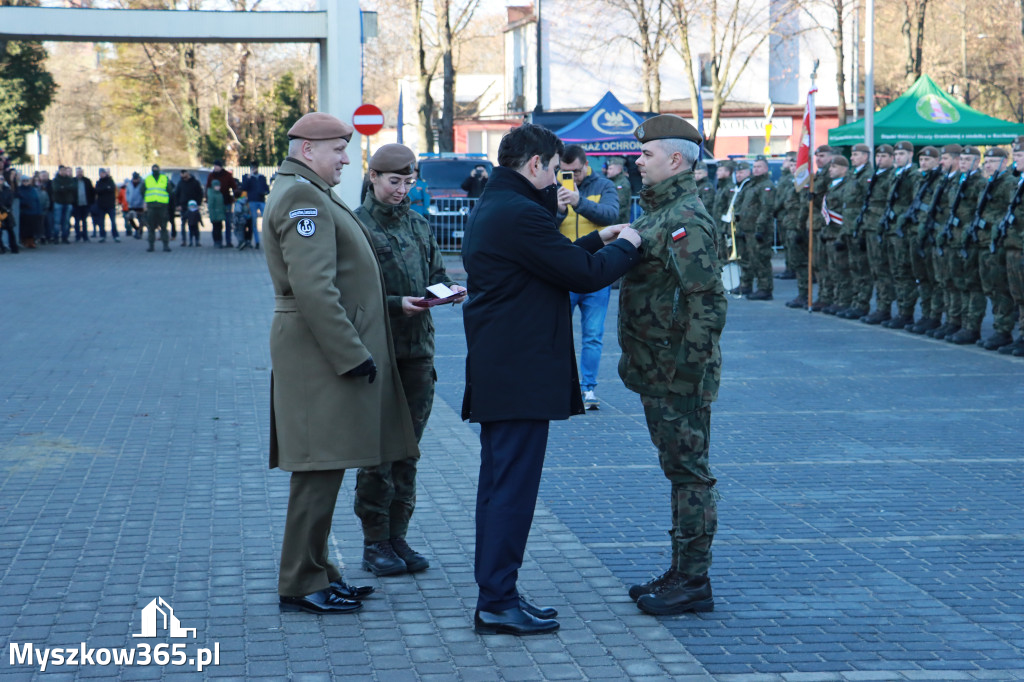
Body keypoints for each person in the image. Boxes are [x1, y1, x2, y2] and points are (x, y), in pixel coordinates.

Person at [461, 123, 641, 636]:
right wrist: (627, 243)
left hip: (505, 370)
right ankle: (496, 600)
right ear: (535, 164)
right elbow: (581, 277)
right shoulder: (519, 211)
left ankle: (498, 593)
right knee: (511, 492)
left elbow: (549, 265)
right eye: (554, 170)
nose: (558, 181)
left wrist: (595, 238)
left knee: (501, 489)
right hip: (516, 373)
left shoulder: (501, 204)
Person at [264, 112, 419, 615]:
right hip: (318, 356)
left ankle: (320, 571)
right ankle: (301, 581)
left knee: (325, 469)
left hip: (319, 352)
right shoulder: (302, 195)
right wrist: (351, 353)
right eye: (338, 150)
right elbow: (313, 288)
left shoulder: (309, 189)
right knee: (317, 470)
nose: (347, 159)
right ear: (308, 149)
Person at [618, 114, 727, 616]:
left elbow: (707, 303)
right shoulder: (660, 213)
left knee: (689, 475)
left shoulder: (685, 218)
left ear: (676, 159)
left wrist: (688, 373)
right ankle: (682, 570)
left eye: (646, 155)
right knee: (678, 471)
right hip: (657, 368)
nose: (638, 162)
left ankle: (693, 580)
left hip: (677, 373)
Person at [353, 143, 467, 577]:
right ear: (374, 177)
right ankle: (374, 541)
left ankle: (398, 535)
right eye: (394, 181)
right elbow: (347, 297)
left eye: (408, 181)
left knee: (407, 451)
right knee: (377, 452)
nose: (402, 189)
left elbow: (436, 274)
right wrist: (398, 303)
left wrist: (448, 292)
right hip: (377, 353)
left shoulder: (419, 226)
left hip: (418, 352)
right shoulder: (356, 227)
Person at [556, 144, 621, 410]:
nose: (572, 176)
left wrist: (578, 202)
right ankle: (561, 387)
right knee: (558, 334)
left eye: (576, 171)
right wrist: (559, 210)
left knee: (593, 335)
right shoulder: (553, 187)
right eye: (565, 171)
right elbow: (541, 225)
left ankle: (588, 389)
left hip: (596, 270)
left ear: (586, 164)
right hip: (563, 271)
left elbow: (610, 215)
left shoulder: (603, 185)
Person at [969, 146, 1015, 350]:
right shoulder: (989, 183)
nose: (987, 165)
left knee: (1001, 289)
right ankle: (999, 328)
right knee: (990, 288)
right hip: (984, 241)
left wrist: (990, 223)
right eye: (986, 162)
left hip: (997, 243)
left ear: (1004, 162)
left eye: (992, 162)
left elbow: (1008, 211)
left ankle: (1003, 331)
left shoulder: (1008, 183)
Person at [943, 146, 985, 343]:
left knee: (971, 284)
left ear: (977, 162)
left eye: (968, 160)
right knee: (955, 282)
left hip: (969, 241)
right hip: (954, 238)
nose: (963, 163)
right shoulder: (958, 181)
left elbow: (980, 211)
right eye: (961, 159)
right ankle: (956, 321)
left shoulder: (979, 183)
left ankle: (971, 327)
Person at [922, 145, 963, 338]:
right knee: (942, 281)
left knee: (956, 282)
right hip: (939, 236)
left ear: (956, 160)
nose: (941, 162)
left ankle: (957, 322)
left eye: (945, 158)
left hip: (953, 238)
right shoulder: (944, 181)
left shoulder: (960, 182)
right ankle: (946, 319)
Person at [879, 141, 921, 330]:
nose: (897, 157)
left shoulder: (913, 176)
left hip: (902, 231)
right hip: (892, 229)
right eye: (896, 154)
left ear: (911, 154)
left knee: (904, 273)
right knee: (895, 272)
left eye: (902, 154)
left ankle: (906, 313)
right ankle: (899, 311)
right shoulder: (897, 175)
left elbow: (915, 204)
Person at [901, 147, 943, 332]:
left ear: (937, 161)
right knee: (922, 277)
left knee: (935, 279)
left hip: (930, 234)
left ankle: (935, 316)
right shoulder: (921, 179)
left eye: (928, 159)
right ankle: (926, 315)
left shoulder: (940, 180)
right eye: (922, 160)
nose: (924, 163)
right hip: (916, 232)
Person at [859, 145, 897, 324]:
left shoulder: (892, 176)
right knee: (874, 269)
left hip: (881, 228)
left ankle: (884, 307)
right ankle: (880, 306)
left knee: (882, 270)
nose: (880, 159)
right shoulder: (876, 176)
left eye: (884, 156)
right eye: (878, 156)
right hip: (870, 226)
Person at [820, 156, 862, 314]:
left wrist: (843, 234)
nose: (830, 170)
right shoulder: (832, 185)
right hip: (830, 233)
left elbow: (846, 212)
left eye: (835, 167)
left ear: (844, 169)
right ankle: (837, 299)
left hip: (840, 233)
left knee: (843, 270)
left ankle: (844, 300)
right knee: (833, 269)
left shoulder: (847, 186)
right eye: (830, 167)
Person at [838, 144, 875, 318]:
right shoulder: (853, 175)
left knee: (862, 269)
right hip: (849, 227)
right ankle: (854, 302)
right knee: (853, 267)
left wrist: (862, 230)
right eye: (852, 155)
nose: (852, 158)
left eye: (856, 155)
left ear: (866, 157)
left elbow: (867, 205)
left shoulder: (867, 176)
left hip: (859, 227)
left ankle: (862, 304)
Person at [998, 136, 1024, 356]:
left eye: (1020, 155)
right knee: (1019, 295)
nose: (1016, 159)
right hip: (1014, 245)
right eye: (1015, 155)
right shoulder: (1018, 181)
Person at [207, 159, 238, 247]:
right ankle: (218, 241)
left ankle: (228, 241)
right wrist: (208, 199)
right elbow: (208, 188)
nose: (215, 167)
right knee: (217, 223)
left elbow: (234, 186)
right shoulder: (211, 175)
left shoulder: (227, 175)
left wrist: (235, 196)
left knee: (228, 222)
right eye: (214, 166)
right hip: (216, 202)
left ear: (220, 167)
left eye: (217, 166)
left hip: (226, 201)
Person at [240, 162, 270, 248]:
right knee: (254, 222)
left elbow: (266, 188)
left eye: (255, 168)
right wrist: (248, 178)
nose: (254, 169)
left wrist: (265, 192)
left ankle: (268, 241)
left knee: (267, 220)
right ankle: (257, 242)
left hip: (261, 200)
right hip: (252, 201)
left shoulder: (262, 177)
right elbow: (244, 188)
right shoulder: (248, 177)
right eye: (253, 168)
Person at [143, 164, 172, 252]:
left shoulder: (164, 178)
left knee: (163, 227)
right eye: (154, 169)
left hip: (162, 207)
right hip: (152, 207)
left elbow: (170, 190)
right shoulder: (148, 179)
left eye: (156, 169)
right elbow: (142, 190)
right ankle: (151, 246)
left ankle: (165, 245)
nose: (155, 170)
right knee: (151, 227)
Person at [173, 169, 205, 247]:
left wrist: (199, 203)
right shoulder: (180, 183)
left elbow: (200, 193)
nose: (183, 177)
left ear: (187, 174)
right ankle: (184, 240)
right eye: (182, 176)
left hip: (193, 206)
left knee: (195, 224)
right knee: (183, 223)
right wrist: (177, 205)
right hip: (183, 206)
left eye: (184, 175)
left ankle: (197, 240)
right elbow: (176, 195)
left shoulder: (195, 182)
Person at [711, 161, 735, 263]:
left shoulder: (730, 188)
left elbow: (731, 209)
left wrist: (726, 228)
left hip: (725, 228)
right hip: (719, 227)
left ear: (728, 172)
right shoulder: (721, 187)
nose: (717, 172)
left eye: (720, 170)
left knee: (726, 256)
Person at [94, 168, 119, 243]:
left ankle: (115, 236)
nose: (102, 175)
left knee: (113, 221)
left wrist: (104, 189)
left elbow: (111, 189)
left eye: (103, 173)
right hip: (101, 205)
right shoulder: (98, 182)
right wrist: (105, 188)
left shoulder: (110, 181)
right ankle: (102, 236)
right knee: (101, 222)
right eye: (101, 173)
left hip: (110, 205)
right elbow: (97, 191)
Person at [52, 165, 76, 244]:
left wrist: (63, 188)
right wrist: (66, 188)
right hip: (58, 202)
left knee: (66, 222)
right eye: (62, 170)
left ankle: (65, 237)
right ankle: (56, 237)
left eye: (64, 170)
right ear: (59, 171)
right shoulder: (56, 180)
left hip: (68, 203)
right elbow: (56, 189)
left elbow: (73, 188)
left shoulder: (70, 180)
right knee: (57, 221)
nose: (63, 172)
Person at [605, 156, 633, 223]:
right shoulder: (614, 181)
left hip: (619, 222)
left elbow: (621, 205)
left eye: (610, 169)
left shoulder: (622, 184)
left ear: (619, 170)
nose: (608, 171)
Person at [72, 167, 95, 242]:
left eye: (80, 172)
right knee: (77, 221)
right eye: (78, 172)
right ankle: (77, 236)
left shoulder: (87, 181)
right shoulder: (73, 181)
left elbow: (92, 192)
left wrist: (91, 203)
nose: (79, 173)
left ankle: (85, 236)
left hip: (85, 204)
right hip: (76, 204)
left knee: (84, 221)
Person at [125, 172, 146, 239]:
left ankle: (139, 233)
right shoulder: (129, 184)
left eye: (136, 179)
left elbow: (145, 193)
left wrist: (144, 202)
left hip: (140, 205)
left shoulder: (142, 184)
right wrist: (128, 200)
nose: (135, 180)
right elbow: (127, 193)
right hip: (132, 205)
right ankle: (136, 229)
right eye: (134, 179)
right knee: (130, 218)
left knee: (141, 220)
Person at [0, 173, 17, 254]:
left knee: (10, 230)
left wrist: (6, 208)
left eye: (2, 179)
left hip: (6, 212)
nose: (0, 181)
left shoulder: (7, 190)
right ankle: (1, 248)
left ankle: (14, 247)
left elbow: (10, 200)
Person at [207, 179, 227, 247]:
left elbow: (222, 204)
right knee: (216, 229)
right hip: (215, 215)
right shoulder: (212, 194)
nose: (218, 187)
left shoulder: (220, 194)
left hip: (220, 214)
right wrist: (212, 215)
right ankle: (216, 242)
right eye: (216, 186)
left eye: (219, 186)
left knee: (220, 228)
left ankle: (220, 241)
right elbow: (211, 206)